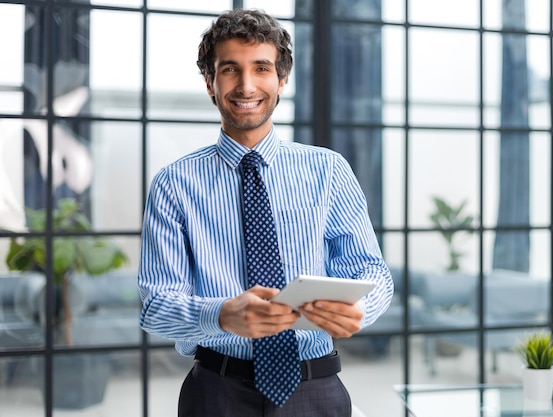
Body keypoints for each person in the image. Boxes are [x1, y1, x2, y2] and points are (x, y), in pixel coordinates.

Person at [137, 8, 394, 417]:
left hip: (317, 388)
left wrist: (359, 309)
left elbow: (372, 271)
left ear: (282, 80)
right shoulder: (174, 184)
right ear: (210, 82)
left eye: (261, 68)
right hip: (216, 392)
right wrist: (222, 314)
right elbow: (155, 306)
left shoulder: (328, 169)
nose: (246, 85)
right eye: (229, 69)